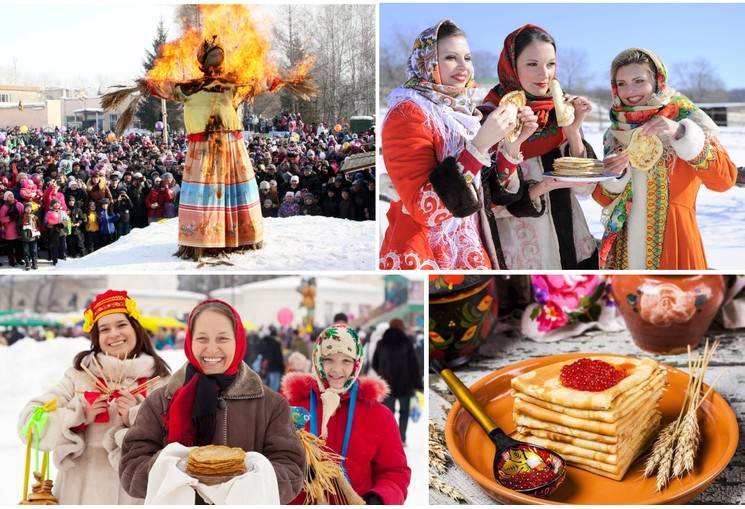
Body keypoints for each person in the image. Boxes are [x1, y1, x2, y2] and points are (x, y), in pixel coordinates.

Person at [119, 299, 304, 503]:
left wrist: (249, 475)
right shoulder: (160, 401)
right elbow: (131, 471)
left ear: (238, 341)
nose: (212, 349)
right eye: (202, 338)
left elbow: (292, 472)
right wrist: (174, 469)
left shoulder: (271, 405)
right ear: (190, 342)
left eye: (223, 339)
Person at [379, 19, 526, 270]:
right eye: (450, 57)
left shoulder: (465, 113)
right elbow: (423, 208)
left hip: (470, 247)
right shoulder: (407, 113)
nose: (463, 67)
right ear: (427, 62)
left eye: (467, 58)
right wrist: (478, 147)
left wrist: (514, 144)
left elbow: (484, 195)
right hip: (427, 253)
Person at [18, 290, 171, 504]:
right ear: (97, 338)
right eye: (104, 329)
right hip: (77, 497)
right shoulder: (79, 377)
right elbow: (29, 424)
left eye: (121, 325)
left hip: (134, 496)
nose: (114, 334)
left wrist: (136, 416)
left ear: (135, 327)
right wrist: (77, 416)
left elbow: (174, 440)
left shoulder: (160, 382)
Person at [595, 48, 737, 269]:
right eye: (621, 83)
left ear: (657, 80)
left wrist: (681, 133)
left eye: (639, 80)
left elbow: (724, 180)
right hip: (625, 252)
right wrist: (614, 175)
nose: (629, 91)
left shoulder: (688, 118)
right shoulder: (615, 132)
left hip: (676, 243)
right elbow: (604, 199)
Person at [479, 24, 598, 269]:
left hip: (574, 245)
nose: (544, 75)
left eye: (550, 64)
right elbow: (490, 204)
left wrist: (573, 130)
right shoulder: (493, 118)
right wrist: (541, 188)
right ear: (512, 65)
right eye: (532, 64)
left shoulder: (561, 111)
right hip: (523, 252)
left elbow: (586, 188)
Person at [138, 38, 265, 260]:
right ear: (203, 63)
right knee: (206, 194)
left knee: (233, 190)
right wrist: (148, 83)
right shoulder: (190, 87)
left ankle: (239, 236)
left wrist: (272, 81)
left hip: (230, 144)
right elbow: (164, 87)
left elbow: (254, 85)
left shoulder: (230, 85)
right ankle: (205, 241)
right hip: (204, 147)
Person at [281, 325, 411, 504]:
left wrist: (379, 498)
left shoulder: (379, 415)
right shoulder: (289, 406)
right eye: (328, 359)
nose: (336, 370)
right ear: (317, 358)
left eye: (346, 361)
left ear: (357, 363)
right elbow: (272, 459)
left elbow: (394, 471)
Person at [372, 324, 423, 446]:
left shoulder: (382, 344)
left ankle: (388, 438)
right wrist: (417, 383)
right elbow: (414, 365)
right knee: (404, 412)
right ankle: (402, 438)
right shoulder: (406, 343)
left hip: (387, 385)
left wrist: (382, 374)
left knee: (387, 413)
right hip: (405, 384)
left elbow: (375, 363)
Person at [17, 201, 41, 270]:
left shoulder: (35, 217)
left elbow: (39, 226)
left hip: (33, 237)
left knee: (34, 251)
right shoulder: (21, 217)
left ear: (32, 209)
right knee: (26, 251)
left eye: (29, 207)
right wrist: (20, 233)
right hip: (24, 238)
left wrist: (38, 233)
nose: (28, 209)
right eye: (26, 208)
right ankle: (27, 264)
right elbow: (18, 227)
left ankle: (34, 263)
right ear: (24, 209)